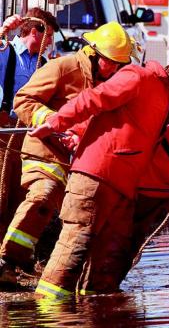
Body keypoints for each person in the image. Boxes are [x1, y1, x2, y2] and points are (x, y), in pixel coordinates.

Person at [30, 56, 169, 298]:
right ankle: (48, 309)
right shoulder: (139, 78)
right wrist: (55, 124)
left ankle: (93, 305)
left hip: (122, 185)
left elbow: (112, 117)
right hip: (95, 175)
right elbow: (94, 100)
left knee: (110, 253)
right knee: (75, 242)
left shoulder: (167, 105)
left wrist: (78, 131)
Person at [0, 21, 134, 285]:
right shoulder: (64, 68)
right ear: (95, 54)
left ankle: (41, 262)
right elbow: (24, 100)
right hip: (45, 150)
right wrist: (54, 122)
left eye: (121, 64)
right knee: (44, 193)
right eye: (112, 62)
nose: (117, 69)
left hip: (82, 160)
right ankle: (8, 261)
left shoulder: (112, 81)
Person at [0, 8, 59, 244]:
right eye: (49, 37)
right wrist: (3, 30)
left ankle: (6, 255)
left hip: (26, 137)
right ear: (35, 32)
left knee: (19, 194)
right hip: (3, 135)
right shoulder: (5, 50)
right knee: (0, 194)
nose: (50, 43)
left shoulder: (44, 64)